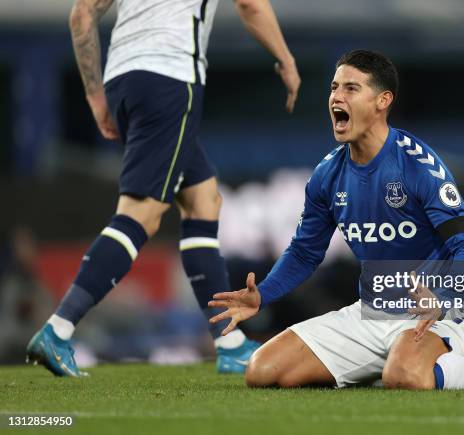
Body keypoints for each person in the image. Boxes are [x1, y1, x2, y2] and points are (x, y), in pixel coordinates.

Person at [208, 50, 464, 389]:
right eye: (333, 87)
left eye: (351, 88)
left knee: (405, 376)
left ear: (382, 101)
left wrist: (442, 295)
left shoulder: (418, 165)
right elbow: (305, 252)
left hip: (436, 313)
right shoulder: (327, 175)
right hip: (371, 312)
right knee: (262, 370)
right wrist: (262, 295)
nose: (336, 98)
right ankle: (390, 363)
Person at [26, 0, 301, 377]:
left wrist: (94, 96)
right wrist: (285, 59)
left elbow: (82, 14)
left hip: (123, 79)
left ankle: (229, 343)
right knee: (142, 213)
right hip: (170, 77)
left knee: (203, 199)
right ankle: (59, 329)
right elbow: (250, 4)